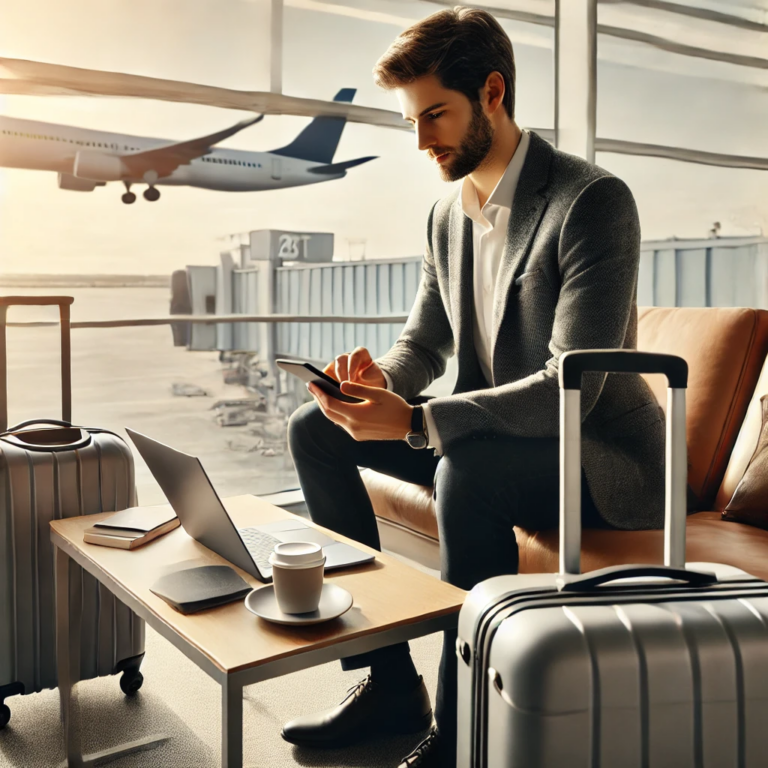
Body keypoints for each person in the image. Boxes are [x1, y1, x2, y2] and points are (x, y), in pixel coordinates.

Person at [281, 6, 665, 767]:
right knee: (312, 428)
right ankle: (389, 682)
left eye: (435, 115)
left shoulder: (591, 202)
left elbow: (572, 386)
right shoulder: (445, 215)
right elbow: (424, 343)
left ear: (492, 92)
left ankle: (465, 727)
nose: (422, 141)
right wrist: (378, 386)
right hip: (495, 435)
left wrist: (418, 423)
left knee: (469, 470)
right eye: (411, 120)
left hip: (599, 456)